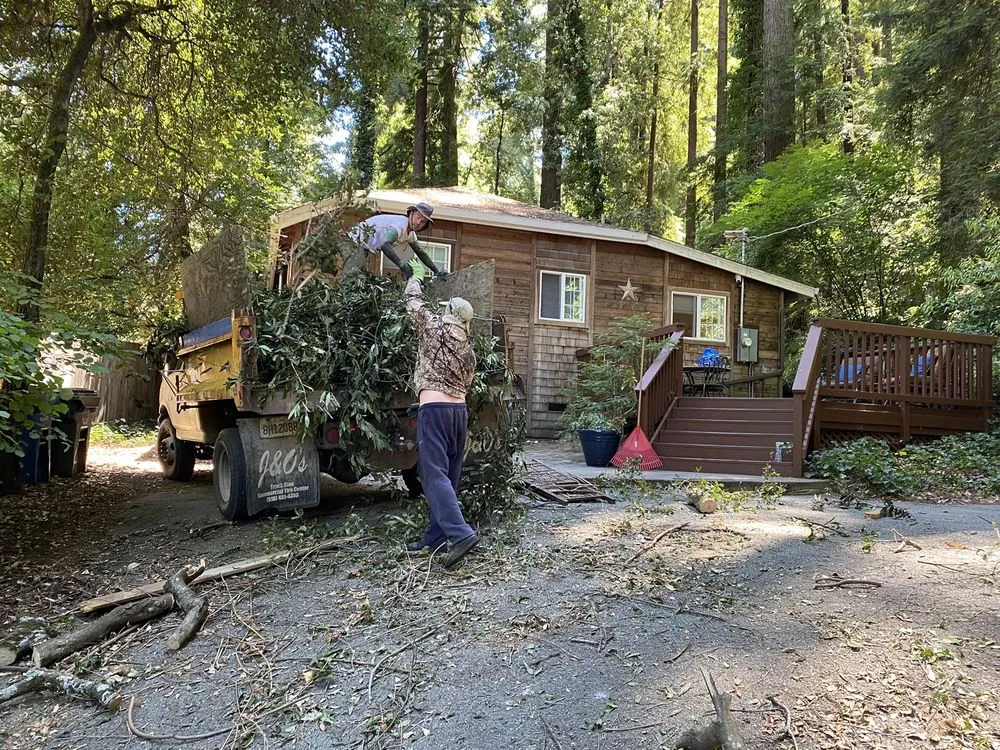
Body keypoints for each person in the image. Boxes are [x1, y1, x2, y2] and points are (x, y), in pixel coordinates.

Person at [403, 260, 479, 567]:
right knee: (447, 475)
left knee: (432, 475)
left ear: (448, 313)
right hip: (458, 413)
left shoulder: (433, 327)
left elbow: (412, 302)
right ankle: (434, 536)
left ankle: (460, 534)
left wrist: (414, 277)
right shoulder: (469, 350)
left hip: (434, 411)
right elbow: (466, 383)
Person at [347, 202, 447, 279]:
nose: (418, 223)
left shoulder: (411, 234)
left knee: (359, 278)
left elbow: (421, 253)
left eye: (422, 222)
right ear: (411, 213)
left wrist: (437, 271)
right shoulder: (401, 224)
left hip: (363, 248)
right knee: (351, 278)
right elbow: (385, 245)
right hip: (354, 242)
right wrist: (402, 266)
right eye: (418, 218)